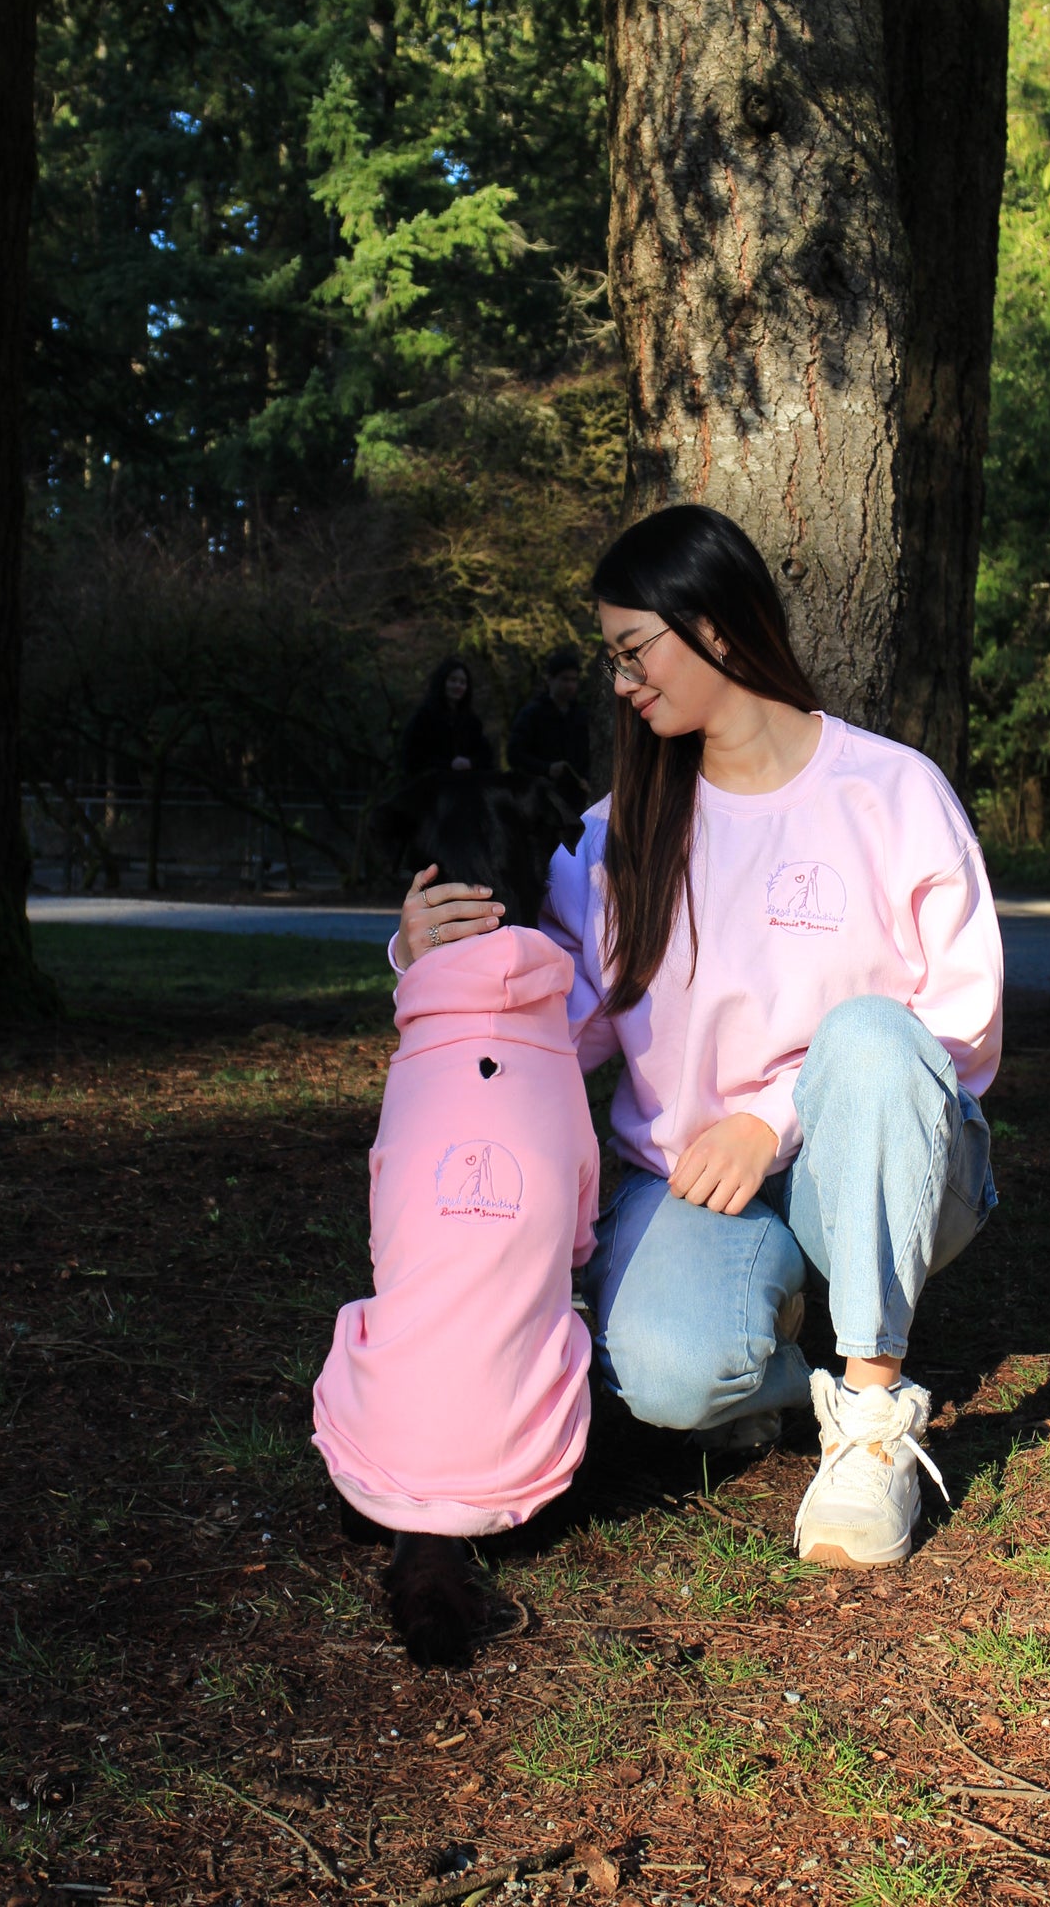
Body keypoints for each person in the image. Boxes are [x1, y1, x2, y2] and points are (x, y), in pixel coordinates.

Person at [392, 506, 1002, 1572]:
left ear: (715, 626)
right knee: (669, 1375)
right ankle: (775, 1359)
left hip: (885, 1162)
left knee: (865, 1033)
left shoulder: (891, 792)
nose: (621, 681)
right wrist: (425, 965)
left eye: (634, 650)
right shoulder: (615, 828)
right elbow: (559, 1029)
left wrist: (769, 1121)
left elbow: (959, 1028)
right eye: (612, 657)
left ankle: (868, 1413)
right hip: (688, 1187)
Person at [507, 646, 591, 795]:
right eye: (565, 679)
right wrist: (546, 768)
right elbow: (514, 754)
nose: (570, 685)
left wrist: (585, 778)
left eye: (574, 680)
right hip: (540, 794)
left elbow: (586, 755)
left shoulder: (580, 715)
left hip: (574, 795)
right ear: (550, 679)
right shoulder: (532, 714)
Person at [398, 657, 494, 778]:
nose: (458, 686)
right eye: (453, 680)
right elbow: (413, 758)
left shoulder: (472, 722)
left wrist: (470, 763)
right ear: (442, 682)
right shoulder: (423, 718)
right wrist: (448, 765)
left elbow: (486, 755)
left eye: (463, 682)